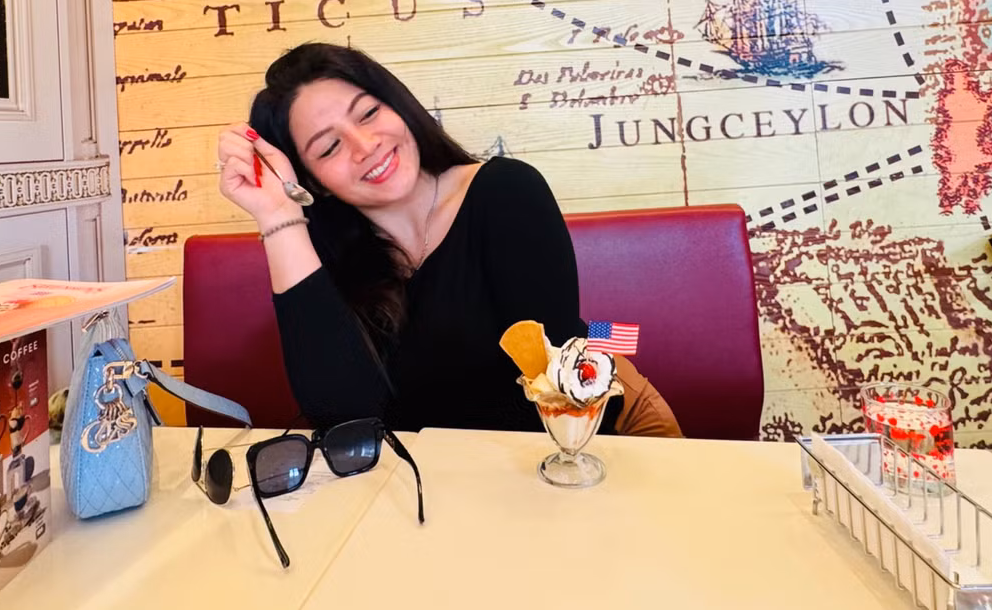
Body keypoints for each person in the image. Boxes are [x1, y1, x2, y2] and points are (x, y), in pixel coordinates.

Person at [215, 42, 681, 437]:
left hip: (594, 432)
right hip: (452, 479)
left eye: (370, 113)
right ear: (313, 182)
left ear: (398, 106)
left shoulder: (505, 192)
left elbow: (547, 380)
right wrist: (279, 214)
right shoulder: (325, 263)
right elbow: (345, 420)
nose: (365, 145)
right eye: (329, 147)